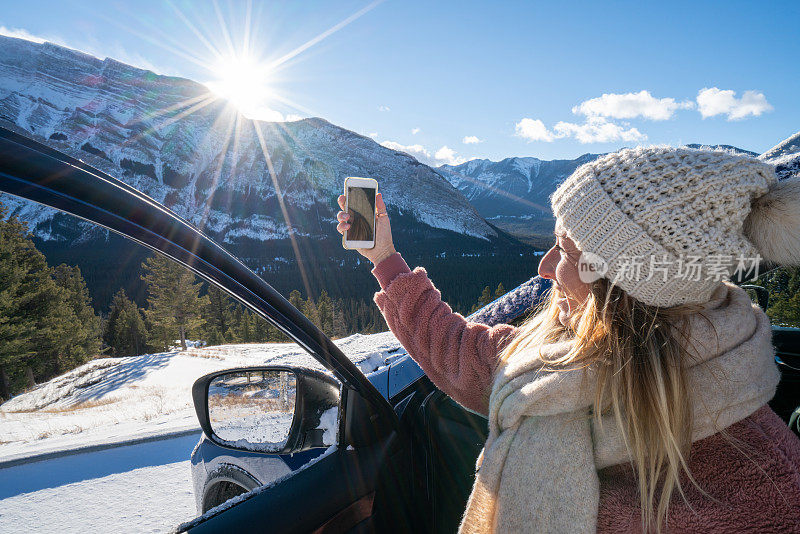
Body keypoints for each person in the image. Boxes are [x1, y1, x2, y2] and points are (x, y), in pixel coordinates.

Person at [335, 146, 800, 533]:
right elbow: (460, 350)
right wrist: (385, 258)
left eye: (564, 249)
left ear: (620, 288)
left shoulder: (766, 486)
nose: (543, 267)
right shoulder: (553, 363)